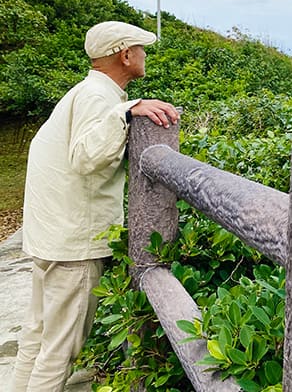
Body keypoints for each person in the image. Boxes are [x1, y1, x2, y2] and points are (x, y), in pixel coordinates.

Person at [12, 21, 180, 391]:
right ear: (125, 53)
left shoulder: (86, 92)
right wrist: (126, 112)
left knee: (37, 339)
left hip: (53, 235)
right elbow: (86, 156)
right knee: (59, 352)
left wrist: (123, 109)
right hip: (73, 243)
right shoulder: (98, 98)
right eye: (141, 48)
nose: (144, 55)